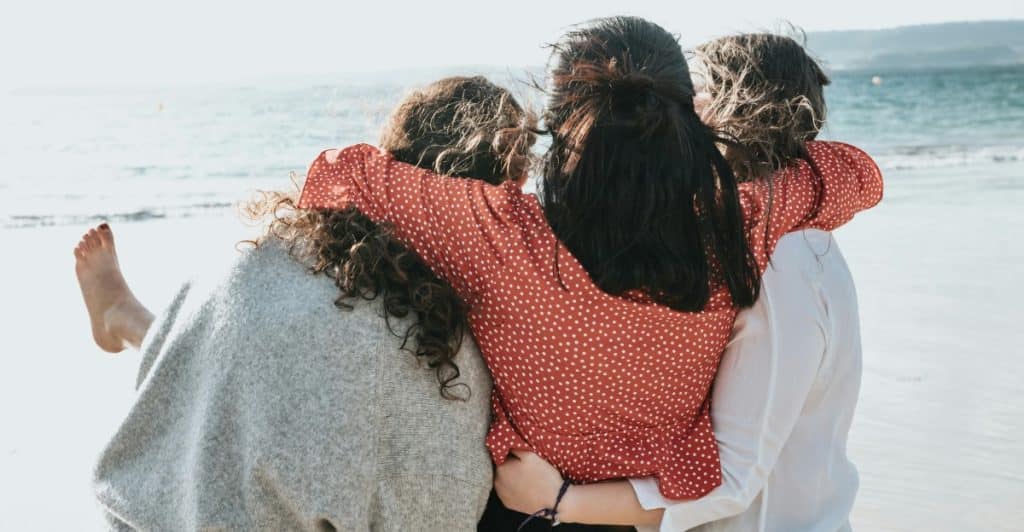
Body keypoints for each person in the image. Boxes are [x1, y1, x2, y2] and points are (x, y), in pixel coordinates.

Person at [299, 16, 883, 529]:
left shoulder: (499, 233)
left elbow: (339, 174)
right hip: (639, 515)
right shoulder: (742, 223)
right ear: (686, 120)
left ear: (558, 122)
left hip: (524, 508)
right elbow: (857, 173)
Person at [76, 76, 535, 530]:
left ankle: (126, 319)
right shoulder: (444, 357)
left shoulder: (265, 246)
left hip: (144, 508)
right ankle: (125, 319)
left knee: (241, 346)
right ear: (502, 194)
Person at [493, 34, 869, 531]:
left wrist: (562, 501)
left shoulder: (781, 260)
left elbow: (734, 477)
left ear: (724, 112)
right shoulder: (760, 233)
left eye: (688, 99)